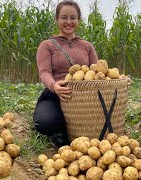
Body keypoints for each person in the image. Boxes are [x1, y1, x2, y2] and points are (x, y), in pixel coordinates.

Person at [33, 0, 98, 147]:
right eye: (64, 17)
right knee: (43, 122)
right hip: (55, 94)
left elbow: (98, 71)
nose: (69, 22)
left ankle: (69, 132)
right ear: (57, 20)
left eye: (73, 18)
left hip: (83, 98)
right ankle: (62, 133)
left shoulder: (87, 46)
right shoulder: (47, 45)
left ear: (79, 20)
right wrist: (54, 86)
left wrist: (119, 79)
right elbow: (44, 72)